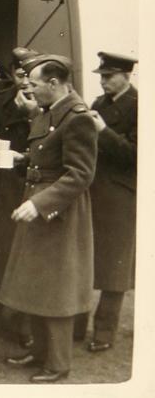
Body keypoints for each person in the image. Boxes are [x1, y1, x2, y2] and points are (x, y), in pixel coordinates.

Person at [0, 55, 97, 383]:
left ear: (54, 84)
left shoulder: (77, 118)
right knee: (37, 284)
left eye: (35, 84)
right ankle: (40, 353)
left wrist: (40, 203)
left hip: (60, 214)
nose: (30, 90)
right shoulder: (50, 112)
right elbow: (47, 154)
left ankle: (58, 364)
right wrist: (22, 159)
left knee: (56, 289)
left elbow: (80, 174)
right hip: (41, 207)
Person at [0, 47, 41, 347]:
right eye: (19, 75)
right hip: (1, 183)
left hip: (26, 185)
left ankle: (24, 327)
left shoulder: (43, 104)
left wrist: (31, 116)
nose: (25, 81)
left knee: (24, 253)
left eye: (29, 75)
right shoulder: (4, 98)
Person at [78, 52, 137, 352]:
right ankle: (75, 327)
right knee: (85, 260)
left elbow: (135, 155)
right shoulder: (100, 104)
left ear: (127, 75)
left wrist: (103, 130)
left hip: (120, 195)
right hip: (95, 190)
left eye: (109, 76)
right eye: (101, 76)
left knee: (115, 269)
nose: (102, 82)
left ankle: (104, 332)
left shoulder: (139, 106)